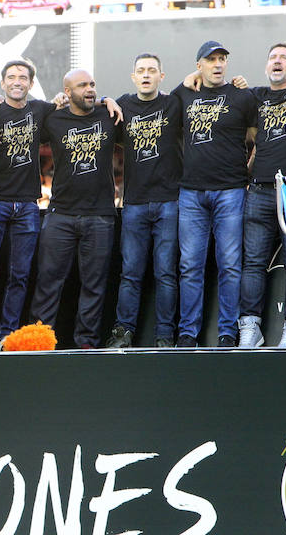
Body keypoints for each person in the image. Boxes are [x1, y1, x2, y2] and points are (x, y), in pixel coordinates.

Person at [29, 69, 122, 348]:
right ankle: (40, 342)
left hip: (101, 215)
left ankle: (87, 344)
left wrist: (108, 99)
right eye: (82, 85)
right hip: (61, 213)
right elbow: (23, 116)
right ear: (67, 92)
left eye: (93, 84)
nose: (90, 89)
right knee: (48, 283)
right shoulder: (53, 119)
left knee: (94, 286)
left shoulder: (109, 115)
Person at [173, 41, 257, 347]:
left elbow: (258, 138)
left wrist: (248, 170)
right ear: (199, 65)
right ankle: (187, 333)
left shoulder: (242, 95)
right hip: (191, 192)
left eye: (222, 59)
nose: (218, 64)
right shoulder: (183, 93)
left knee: (230, 264)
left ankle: (227, 331)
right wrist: (184, 80)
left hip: (231, 190)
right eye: (211, 60)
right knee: (189, 266)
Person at [0, 60, 55, 351]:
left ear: (31, 83)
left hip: (28, 205)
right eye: (11, 77)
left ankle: (7, 335)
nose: (17, 81)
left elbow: (73, 104)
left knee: (20, 275)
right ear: (2, 83)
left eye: (23, 77)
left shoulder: (40, 109)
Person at [108, 53, 182, 349]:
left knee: (166, 273)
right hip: (135, 203)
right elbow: (91, 105)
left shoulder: (173, 103)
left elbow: (196, 86)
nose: (147, 74)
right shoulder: (122, 105)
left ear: (162, 76)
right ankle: (122, 332)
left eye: (152, 70)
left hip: (169, 201)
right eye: (141, 70)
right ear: (133, 76)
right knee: (131, 274)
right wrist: (105, 99)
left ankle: (165, 335)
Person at [239, 43, 286, 347]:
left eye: (284, 58)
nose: (278, 61)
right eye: (273, 57)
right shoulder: (255, 97)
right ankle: (250, 327)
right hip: (260, 188)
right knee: (253, 261)